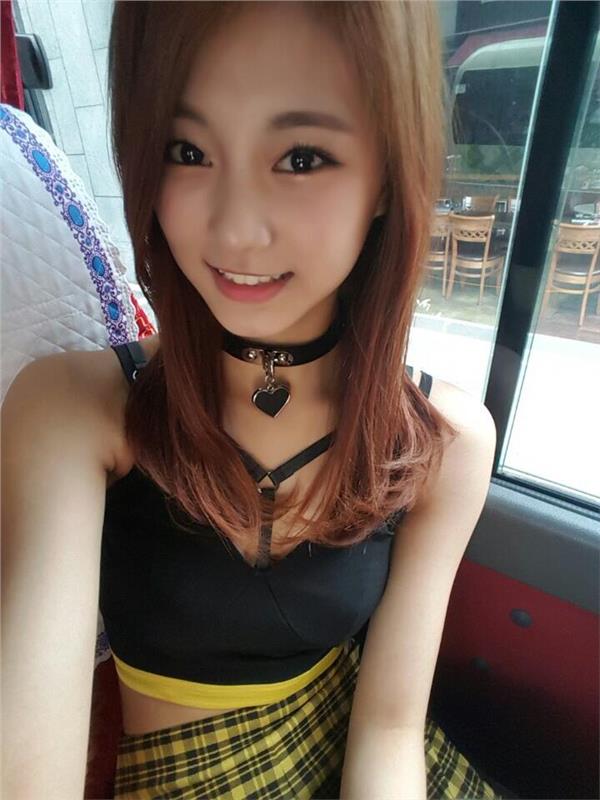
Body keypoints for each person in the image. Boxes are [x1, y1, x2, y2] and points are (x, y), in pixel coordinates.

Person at [2, 2, 505, 799]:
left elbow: (387, 731)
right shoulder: (74, 409)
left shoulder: (445, 443)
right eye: (187, 151)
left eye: (302, 157)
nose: (236, 231)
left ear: (387, 177)